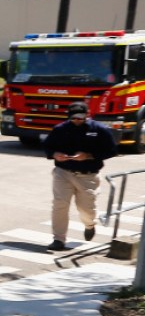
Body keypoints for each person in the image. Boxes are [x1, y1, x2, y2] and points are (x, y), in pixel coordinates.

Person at [44, 101, 117, 251]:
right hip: (63, 173)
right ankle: (58, 239)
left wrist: (89, 156)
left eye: (80, 117)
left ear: (87, 115)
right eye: (74, 118)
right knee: (60, 205)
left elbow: (112, 150)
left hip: (87, 176)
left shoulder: (99, 130)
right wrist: (55, 154)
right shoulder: (60, 129)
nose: (77, 120)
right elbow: (47, 146)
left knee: (86, 209)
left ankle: (89, 224)